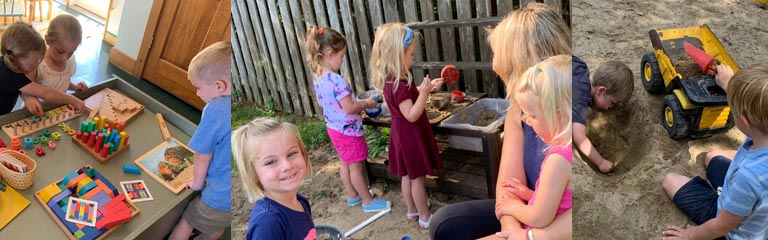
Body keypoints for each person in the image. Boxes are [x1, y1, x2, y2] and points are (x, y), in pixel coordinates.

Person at [429, 3, 572, 239]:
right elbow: (507, 186)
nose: (498, 71)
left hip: (553, 228)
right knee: (444, 224)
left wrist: (529, 237)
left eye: (503, 66)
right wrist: (511, 230)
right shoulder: (519, 109)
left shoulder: (573, 115)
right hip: (530, 213)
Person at [661, 63, 768, 240]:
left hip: (732, 230)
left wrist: (689, 235)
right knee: (712, 156)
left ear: (744, 120)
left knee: (670, 180)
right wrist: (729, 86)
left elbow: (720, 227)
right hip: (756, 207)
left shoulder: (748, 177)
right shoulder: (762, 132)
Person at [305, 26, 391, 212]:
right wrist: (367, 103)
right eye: (341, 56)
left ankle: (352, 196)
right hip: (349, 131)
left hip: (334, 129)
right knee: (356, 168)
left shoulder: (318, 79)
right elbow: (350, 108)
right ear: (329, 53)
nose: (342, 60)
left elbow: (322, 104)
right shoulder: (337, 81)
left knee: (345, 163)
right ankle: (368, 201)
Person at [370, 22, 444, 229]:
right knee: (418, 179)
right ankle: (425, 217)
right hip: (411, 134)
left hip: (400, 134)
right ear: (397, 55)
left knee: (406, 175)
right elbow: (411, 114)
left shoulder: (392, 79)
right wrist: (425, 94)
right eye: (410, 54)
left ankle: (412, 210)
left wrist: (424, 89)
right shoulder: (400, 84)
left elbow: (408, 102)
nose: (413, 58)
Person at [495, 55, 572, 233]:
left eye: (532, 115)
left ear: (559, 116)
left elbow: (540, 217)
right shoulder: (568, 150)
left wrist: (512, 206)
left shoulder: (558, 160)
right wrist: (529, 194)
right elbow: (560, 202)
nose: (526, 121)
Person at [168, 41, 231, 240]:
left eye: (198, 88)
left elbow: (203, 153)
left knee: (188, 220)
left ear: (220, 86)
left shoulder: (215, 109)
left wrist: (196, 182)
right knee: (217, 226)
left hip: (218, 195)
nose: (197, 93)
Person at [232, 118, 316, 239]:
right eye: (271, 162)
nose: (287, 166)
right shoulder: (267, 224)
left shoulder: (300, 201)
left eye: (291, 154)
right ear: (253, 173)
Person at [0, 21, 84, 116]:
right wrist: (74, 100)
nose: (36, 66)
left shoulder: (9, 63)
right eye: (34, 62)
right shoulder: (10, 76)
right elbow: (46, 93)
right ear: (13, 59)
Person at [572, 57, 633, 173]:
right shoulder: (580, 98)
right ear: (601, 91)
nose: (611, 108)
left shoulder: (581, 66)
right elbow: (578, 136)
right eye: (612, 103)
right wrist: (600, 162)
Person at [22, 14, 89, 116]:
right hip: (36, 112)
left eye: (71, 52)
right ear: (48, 40)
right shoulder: (38, 63)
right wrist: (29, 98)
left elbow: (62, 82)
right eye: (60, 51)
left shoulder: (70, 61)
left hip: (59, 110)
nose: (64, 58)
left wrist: (75, 87)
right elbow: (25, 88)